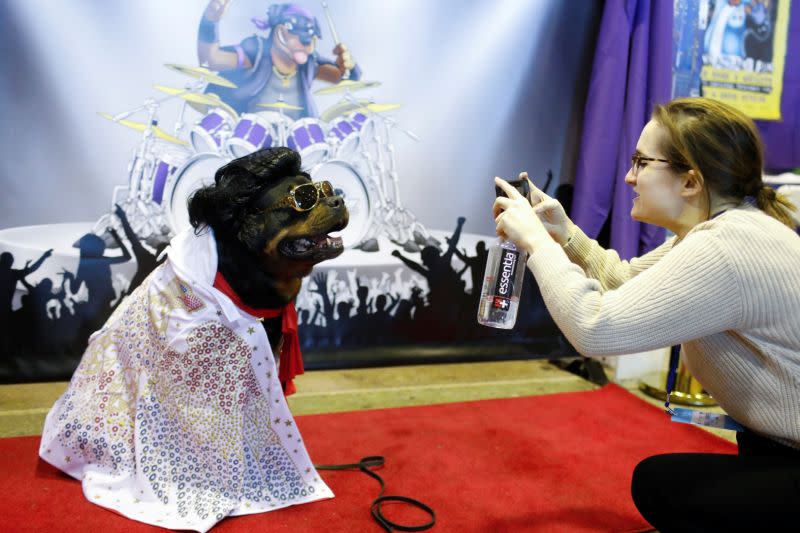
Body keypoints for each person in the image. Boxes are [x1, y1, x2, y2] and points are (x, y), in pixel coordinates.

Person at [492, 97, 800, 530]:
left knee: (661, 485)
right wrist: (563, 235)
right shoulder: (722, 228)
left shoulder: (724, 248)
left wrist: (536, 245)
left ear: (690, 181)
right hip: (774, 447)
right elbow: (624, 282)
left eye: (641, 162)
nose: (628, 176)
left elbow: (594, 328)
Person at [197, 0, 361, 118]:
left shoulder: (309, 63)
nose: (305, 44)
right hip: (253, 141)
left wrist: (350, 66)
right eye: (298, 35)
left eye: (310, 38)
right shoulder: (257, 52)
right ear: (279, 32)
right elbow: (211, 60)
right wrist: (209, 21)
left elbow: (344, 78)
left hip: (293, 146)